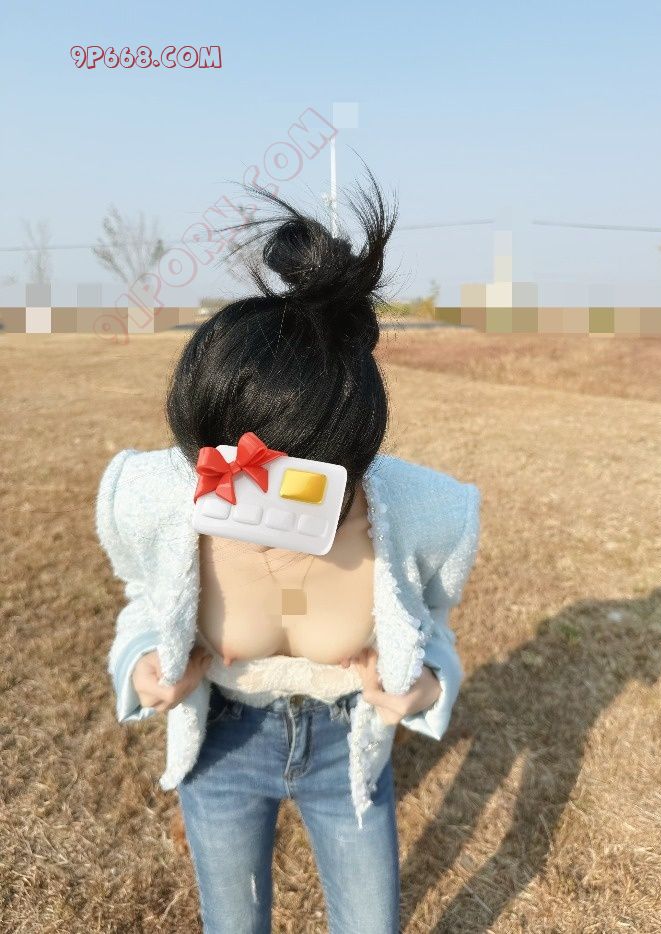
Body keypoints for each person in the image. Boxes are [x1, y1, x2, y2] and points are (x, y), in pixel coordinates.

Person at [95, 170, 481, 934]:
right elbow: (146, 599)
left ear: (347, 467)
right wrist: (142, 665)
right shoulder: (158, 498)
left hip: (347, 747)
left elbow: (428, 624)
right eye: (226, 479)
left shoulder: (421, 517)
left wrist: (425, 690)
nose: (250, 510)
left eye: (289, 493)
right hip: (224, 743)